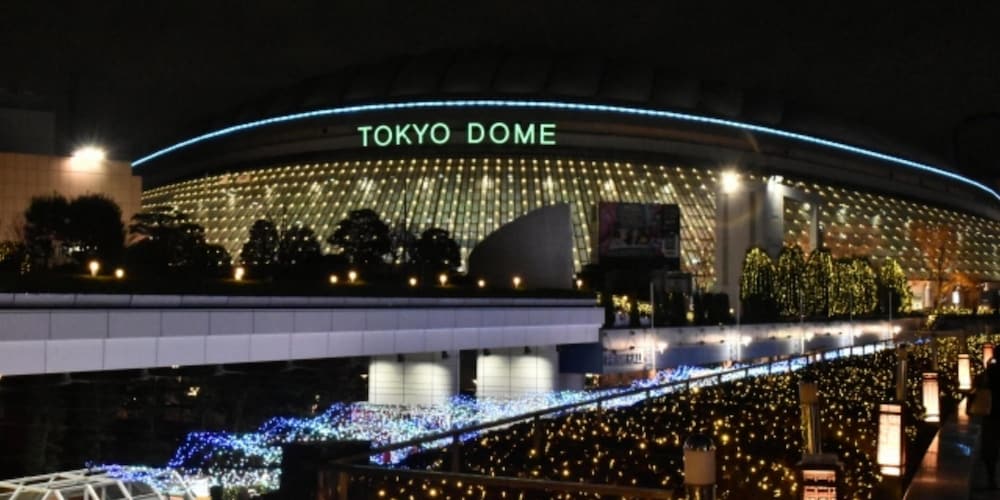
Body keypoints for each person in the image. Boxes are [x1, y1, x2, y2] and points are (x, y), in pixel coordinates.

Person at [982, 356, 1000, 489]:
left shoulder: (990, 371)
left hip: (991, 413)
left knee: (991, 449)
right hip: (993, 414)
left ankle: (991, 478)